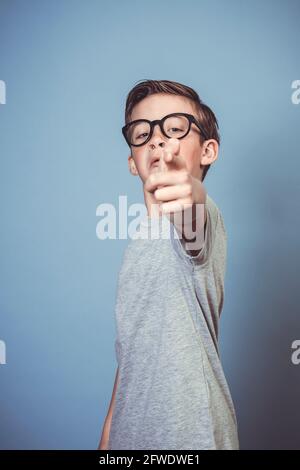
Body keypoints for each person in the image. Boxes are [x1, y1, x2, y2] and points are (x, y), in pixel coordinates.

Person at [98, 79, 239, 450]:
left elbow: (192, 214)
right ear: (133, 162)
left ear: (207, 151)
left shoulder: (201, 217)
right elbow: (132, 350)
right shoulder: (141, 241)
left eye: (175, 129)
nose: (158, 140)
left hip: (192, 434)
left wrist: (190, 193)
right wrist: (109, 435)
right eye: (142, 134)